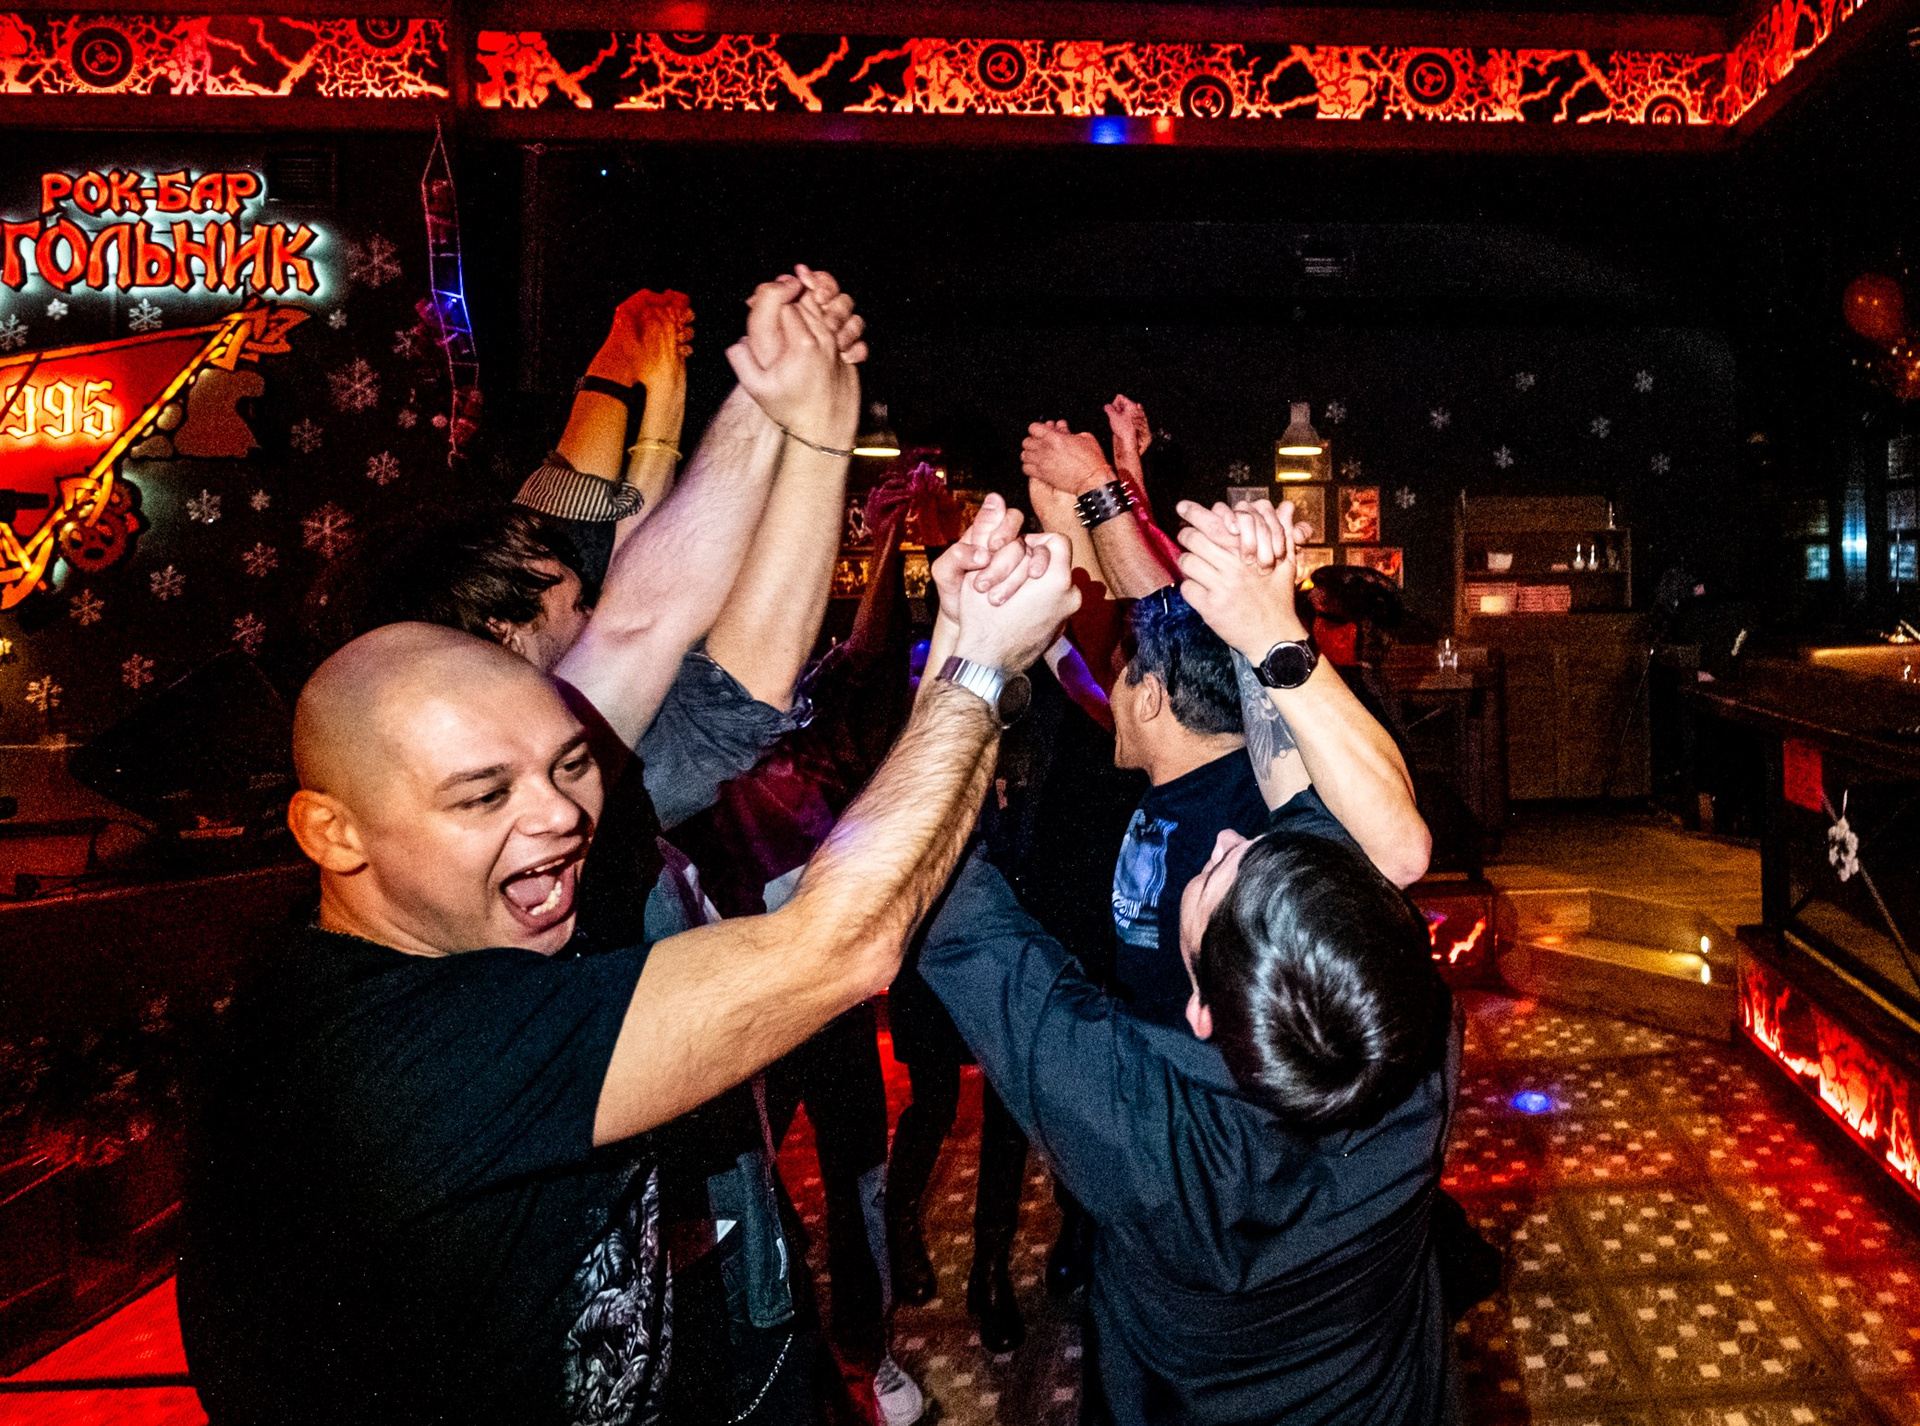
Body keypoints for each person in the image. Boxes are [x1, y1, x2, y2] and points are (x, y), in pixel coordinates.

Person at [178, 491, 1082, 1424]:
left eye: (569, 765)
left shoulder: (460, 928)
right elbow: (841, 943)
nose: (560, 814)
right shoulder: (395, 1053)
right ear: (332, 832)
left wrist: (962, 629)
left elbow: (652, 619)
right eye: (484, 795)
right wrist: (979, 668)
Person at [913, 498, 1459, 1422]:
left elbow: (939, 900)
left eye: (1211, 880)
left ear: (1199, 1011)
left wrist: (965, 648)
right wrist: (1263, 624)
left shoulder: (1147, 1126)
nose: (1230, 844)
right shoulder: (1412, 1055)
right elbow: (1384, 839)